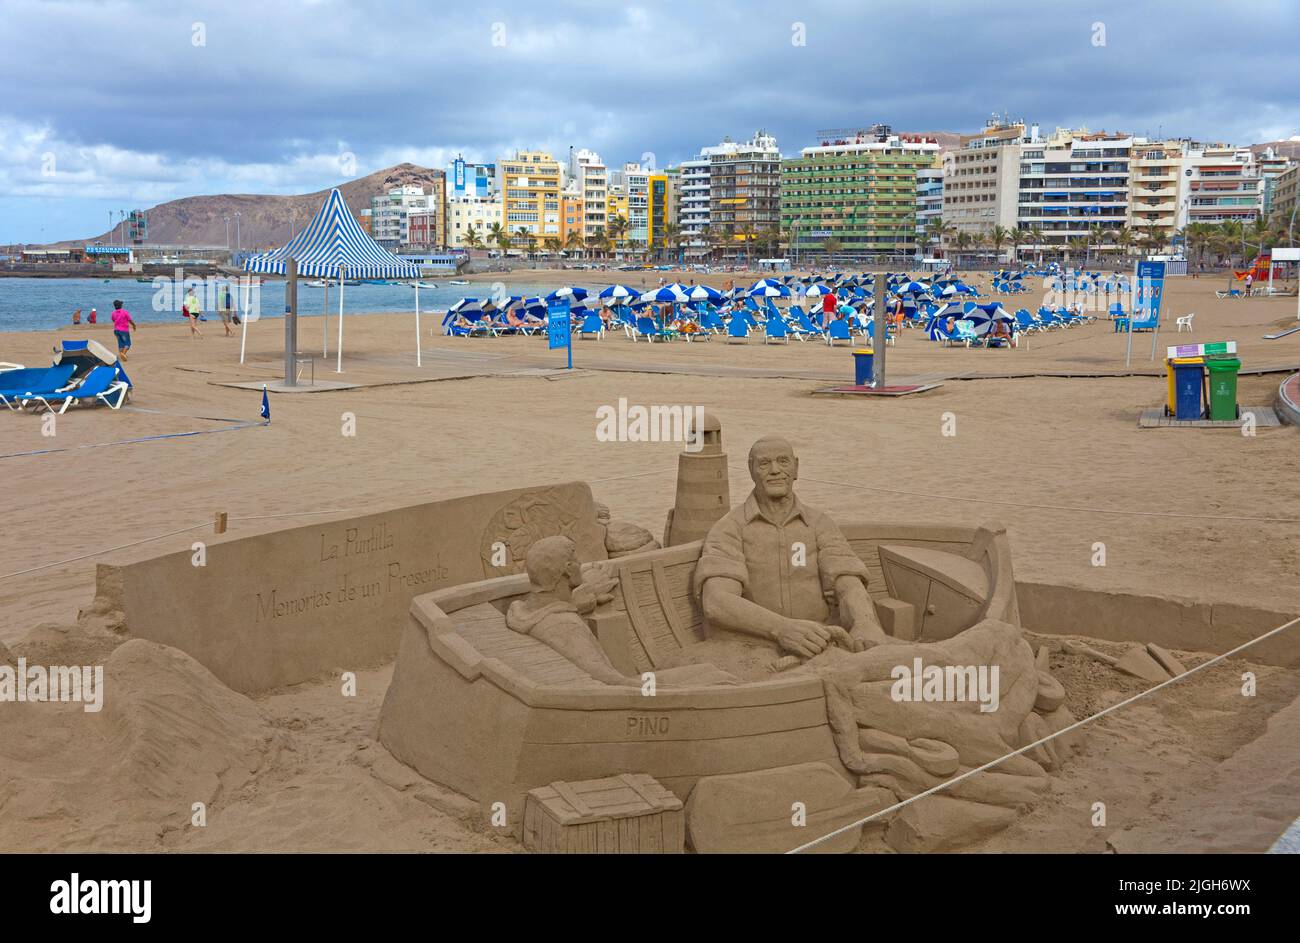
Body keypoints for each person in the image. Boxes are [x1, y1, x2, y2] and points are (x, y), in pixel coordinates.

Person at [695, 436, 886, 660]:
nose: (775, 470)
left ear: (796, 468)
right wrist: (782, 629)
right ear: (751, 470)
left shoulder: (819, 523)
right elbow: (717, 601)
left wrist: (864, 621)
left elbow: (847, 581)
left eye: (783, 461)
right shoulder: (730, 528)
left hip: (822, 641)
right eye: (764, 463)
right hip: (758, 647)